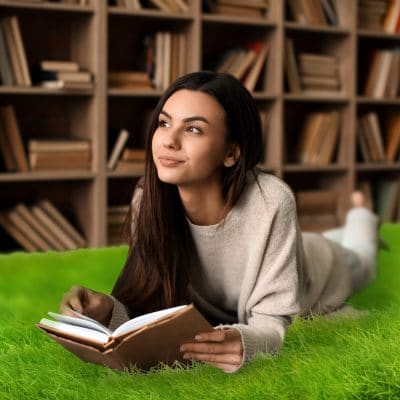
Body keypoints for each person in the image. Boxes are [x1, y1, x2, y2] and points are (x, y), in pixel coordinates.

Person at [60, 71, 380, 373]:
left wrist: (248, 342)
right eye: (164, 123)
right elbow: (147, 301)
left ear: (231, 152)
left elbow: (272, 324)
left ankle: (362, 214)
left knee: (362, 260)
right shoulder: (149, 198)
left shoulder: (272, 201)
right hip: (288, 249)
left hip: (317, 271)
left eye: (193, 128)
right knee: (327, 241)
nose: (169, 141)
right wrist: (106, 311)